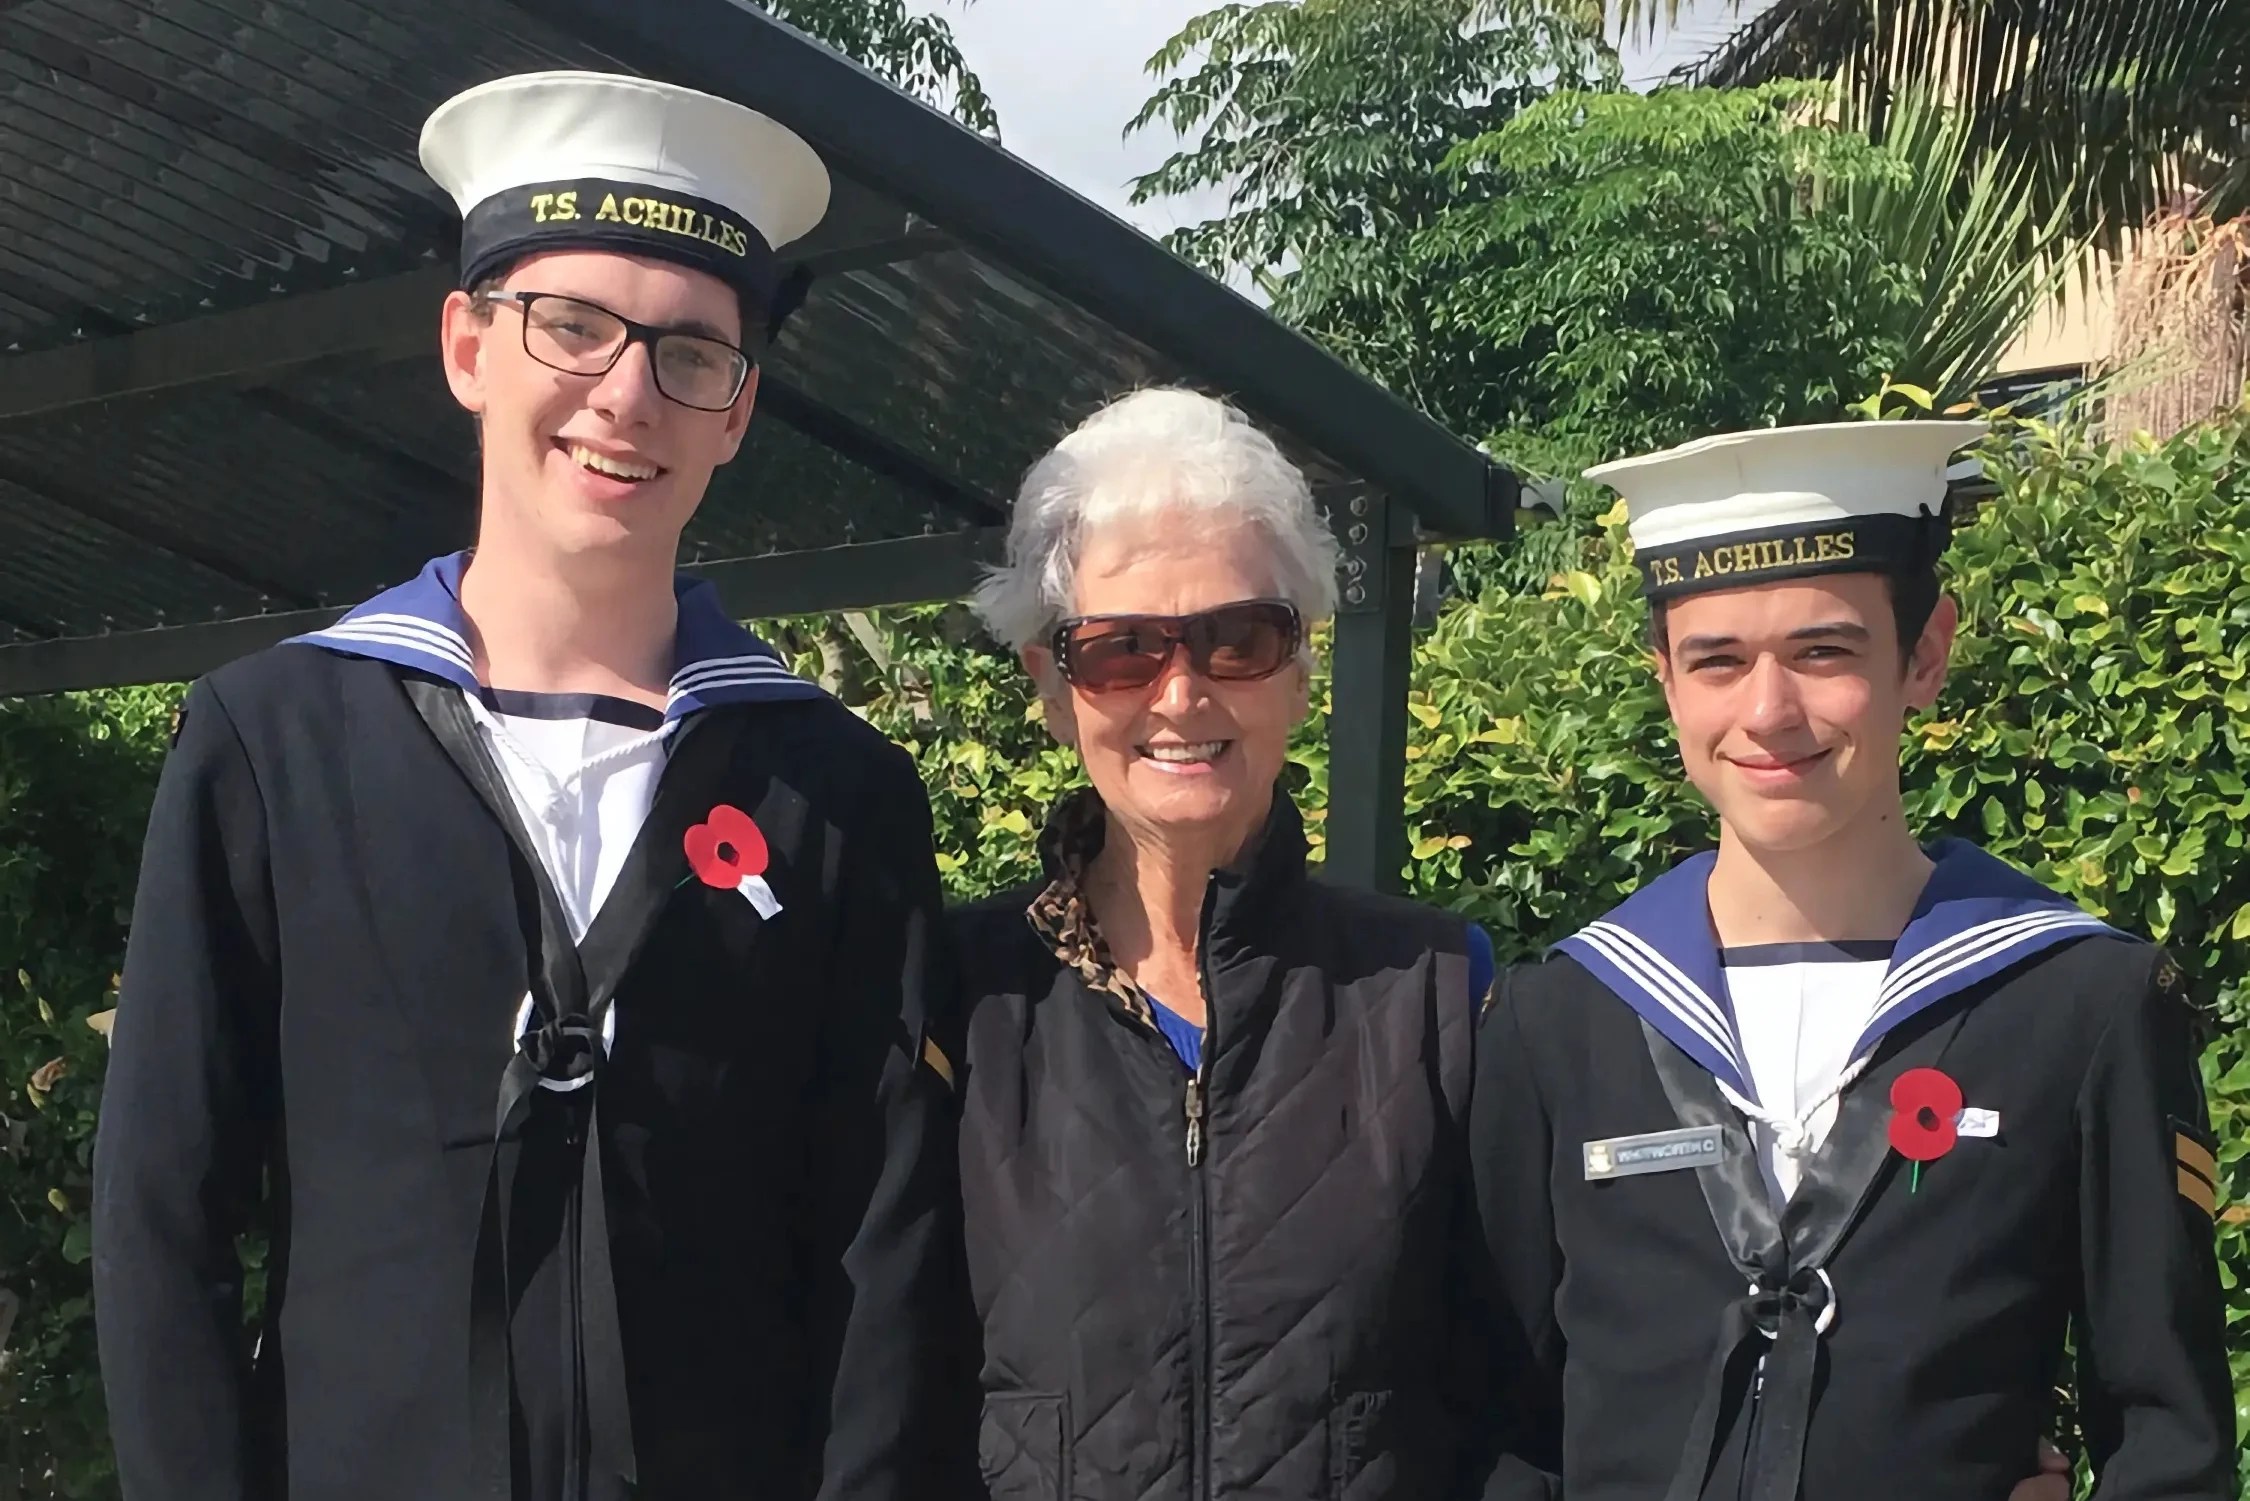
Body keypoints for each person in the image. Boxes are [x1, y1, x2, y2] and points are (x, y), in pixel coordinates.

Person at [92, 71, 966, 1501]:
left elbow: (885, 1249)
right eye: (573, 325)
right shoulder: (274, 743)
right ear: (468, 345)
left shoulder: (833, 790)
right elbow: (162, 1216)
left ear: (739, 410)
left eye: (693, 352)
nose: (627, 394)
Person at [1471, 420, 2235, 1500]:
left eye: (1823, 652)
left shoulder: (2077, 1003)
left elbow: (2171, 1442)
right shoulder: (1560, 1016)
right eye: (1717, 660)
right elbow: (1495, 1425)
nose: (1768, 712)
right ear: (1666, 680)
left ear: (1925, 654)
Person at [947, 387, 1542, 1500]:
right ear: (1052, 687)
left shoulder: (1440, 995)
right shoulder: (958, 1003)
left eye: (1238, 639)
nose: (1182, 693)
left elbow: (1515, 1412)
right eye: (1122, 649)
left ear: (1300, 669)